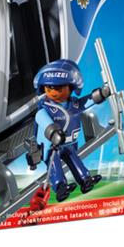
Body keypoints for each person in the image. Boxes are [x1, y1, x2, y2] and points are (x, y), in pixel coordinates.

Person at [30, 59, 110, 201]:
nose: (53, 92)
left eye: (59, 88)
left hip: (69, 145)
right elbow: (42, 119)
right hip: (52, 147)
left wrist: (101, 94)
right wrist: (53, 132)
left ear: (72, 87)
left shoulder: (74, 104)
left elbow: (88, 101)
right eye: (49, 88)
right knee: (54, 166)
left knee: (75, 160)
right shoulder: (45, 108)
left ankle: (85, 179)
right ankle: (60, 186)